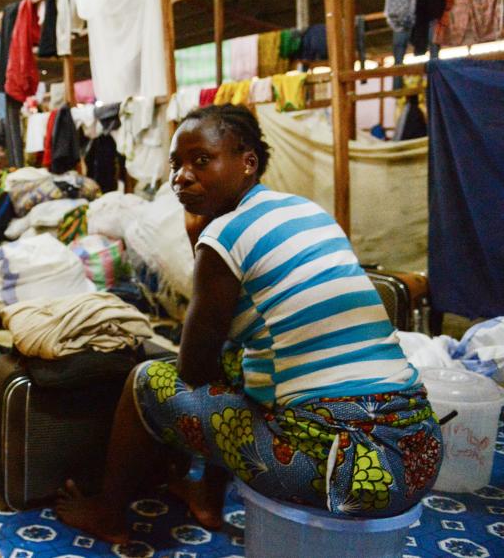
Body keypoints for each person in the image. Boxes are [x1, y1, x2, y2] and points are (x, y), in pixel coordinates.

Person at [56, 105, 442, 542]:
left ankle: (107, 511)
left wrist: (201, 239)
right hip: (417, 451)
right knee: (241, 362)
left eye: (201, 160)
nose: (181, 176)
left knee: (148, 381)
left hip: (341, 470)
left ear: (248, 162)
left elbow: (192, 369)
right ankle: (207, 497)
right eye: (175, 164)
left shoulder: (225, 238)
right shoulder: (305, 211)